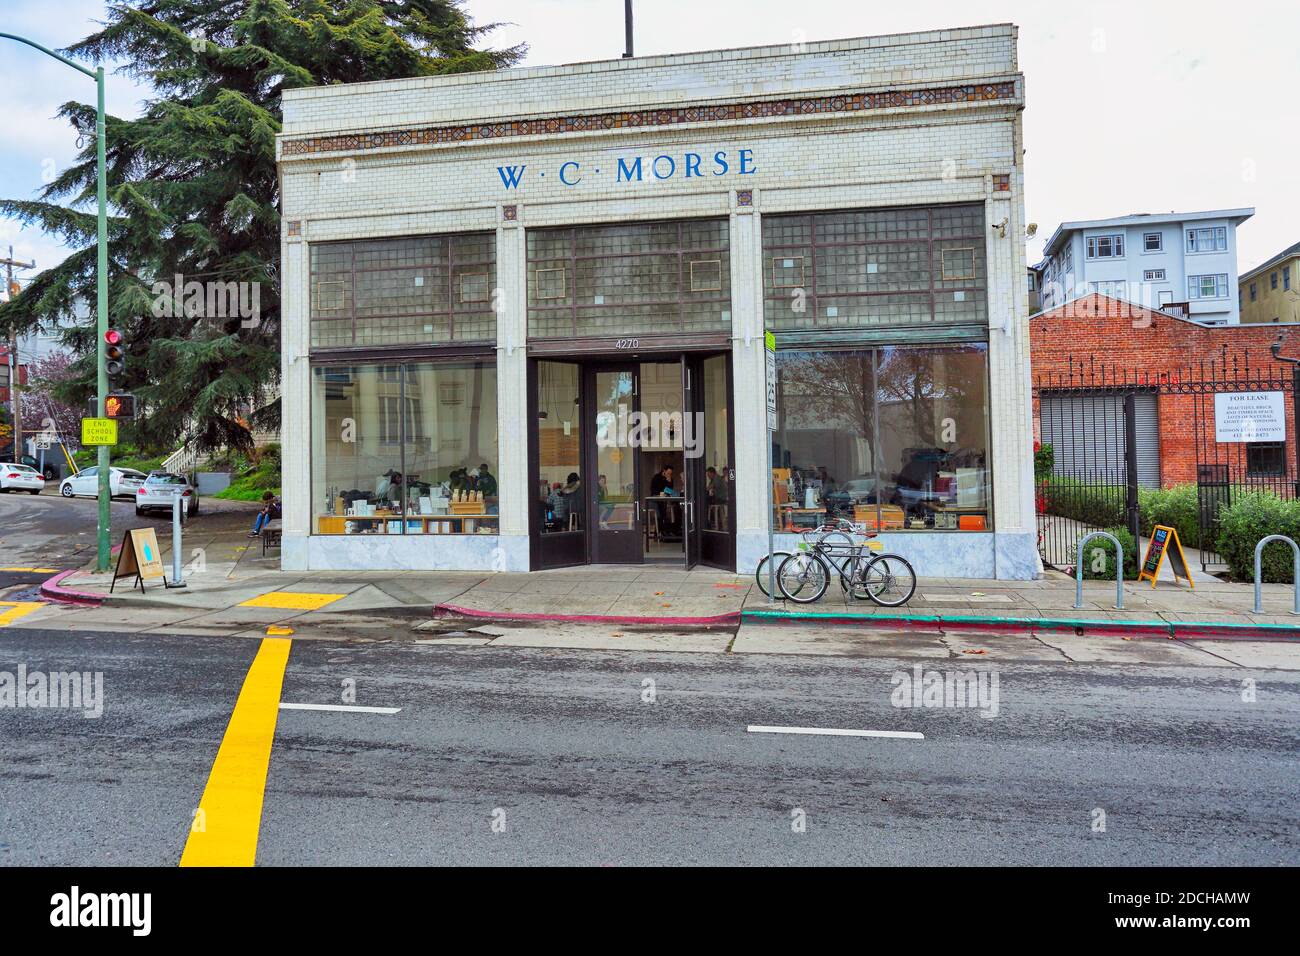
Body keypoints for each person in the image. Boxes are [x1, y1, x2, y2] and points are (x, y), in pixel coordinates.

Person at [649, 465, 680, 537]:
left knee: (665, 510)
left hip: (664, 500)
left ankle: (663, 530)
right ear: (664, 471)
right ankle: (659, 531)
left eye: (670, 473)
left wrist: (668, 481)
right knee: (660, 512)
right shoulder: (656, 478)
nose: (669, 475)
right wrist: (660, 493)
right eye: (668, 473)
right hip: (655, 499)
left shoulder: (669, 478)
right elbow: (653, 490)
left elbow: (670, 490)